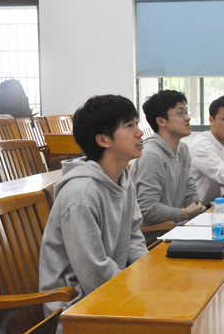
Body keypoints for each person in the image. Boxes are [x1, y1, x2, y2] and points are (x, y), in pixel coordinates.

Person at [39, 95, 148, 333]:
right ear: (103, 140)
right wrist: (138, 290)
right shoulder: (80, 194)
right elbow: (93, 271)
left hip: (110, 292)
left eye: (136, 123)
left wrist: (147, 274)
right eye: (129, 126)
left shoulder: (122, 178)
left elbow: (133, 236)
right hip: (73, 307)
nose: (139, 132)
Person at [130, 90, 206, 227]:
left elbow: (189, 189)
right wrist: (185, 213)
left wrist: (196, 207)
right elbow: (147, 208)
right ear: (161, 121)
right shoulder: (152, 155)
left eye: (186, 113)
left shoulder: (182, 149)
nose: (187, 118)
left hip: (177, 227)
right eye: (180, 113)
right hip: (154, 236)